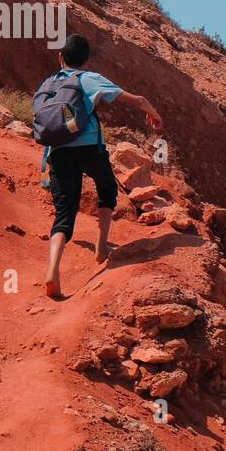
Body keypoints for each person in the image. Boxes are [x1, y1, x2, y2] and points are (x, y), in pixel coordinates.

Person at [39, 33, 162, 298]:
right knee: (107, 189)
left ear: (60, 57)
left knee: (64, 213)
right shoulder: (88, 78)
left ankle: (52, 271)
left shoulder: (49, 83)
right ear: (86, 60)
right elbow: (135, 99)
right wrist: (153, 113)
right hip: (89, 149)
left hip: (58, 152)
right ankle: (101, 247)